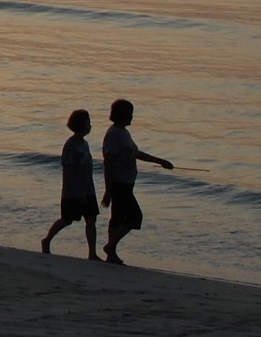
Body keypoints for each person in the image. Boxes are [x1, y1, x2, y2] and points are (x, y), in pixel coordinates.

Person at [101, 98, 172, 265]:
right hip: (119, 182)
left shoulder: (123, 132)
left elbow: (136, 153)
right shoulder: (113, 134)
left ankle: (111, 254)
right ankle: (110, 247)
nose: (132, 117)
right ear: (123, 115)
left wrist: (160, 161)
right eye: (130, 114)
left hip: (127, 181)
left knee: (117, 217)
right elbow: (108, 162)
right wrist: (108, 190)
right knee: (135, 217)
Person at [41, 109, 100, 259]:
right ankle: (47, 240)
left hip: (88, 189)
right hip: (73, 191)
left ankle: (92, 253)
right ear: (82, 125)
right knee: (67, 220)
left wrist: (87, 189)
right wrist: (78, 192)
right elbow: (70, 170)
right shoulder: (71, 145)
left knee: (91, 219)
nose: (90, 126)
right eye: (88, 122)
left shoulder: (84, 144)